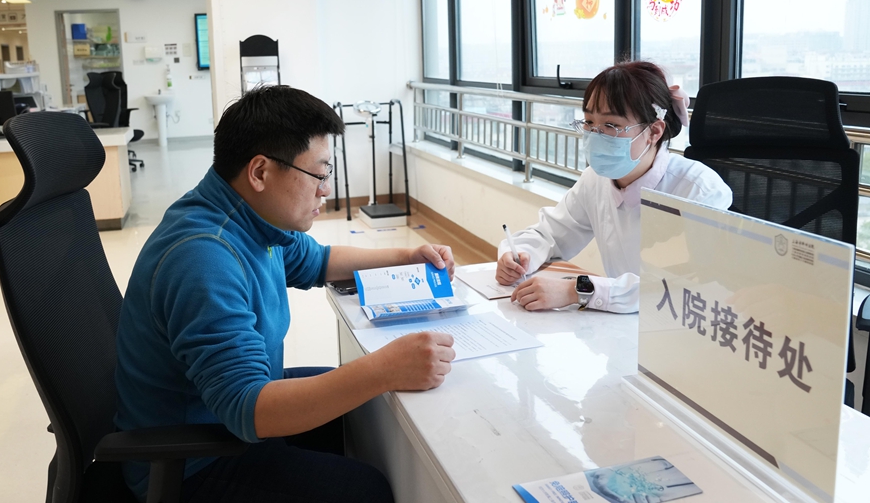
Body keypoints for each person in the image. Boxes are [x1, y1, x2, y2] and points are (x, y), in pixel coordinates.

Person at [114, 85, 457, 503]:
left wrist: (405, 256)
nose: (325, 190)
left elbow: (319, 261)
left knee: (369, 408)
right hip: (193, 461)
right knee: (366, 490)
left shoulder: (248, 215)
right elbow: (249, 409)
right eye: (319, 174)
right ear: (260, 172)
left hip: (227, 416)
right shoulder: (204, 259)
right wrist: (384, 367)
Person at [496, 61, 732, 314]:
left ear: (654, 131)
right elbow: (551, 234)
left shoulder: (699, 191)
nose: (595, 135)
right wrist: (520, 254)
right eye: (589, 122)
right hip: (620, 321)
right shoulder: (596, 180)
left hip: (685, 325)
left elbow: (684, 287)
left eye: (611, 125)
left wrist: (578, 290)